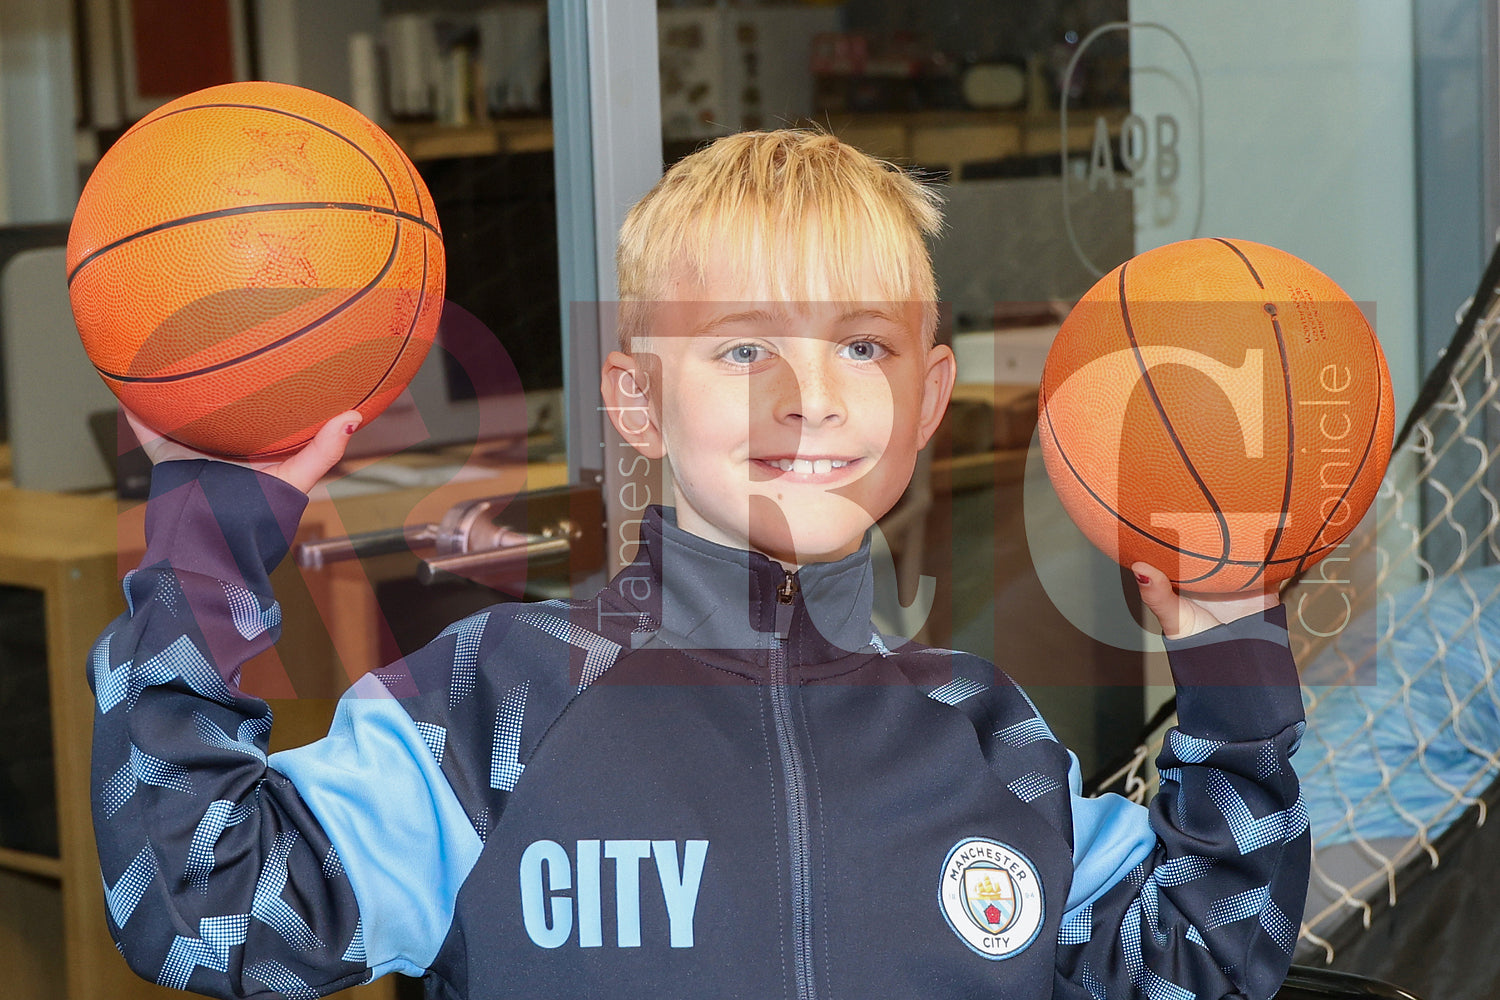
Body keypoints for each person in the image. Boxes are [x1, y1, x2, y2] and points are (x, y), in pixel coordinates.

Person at [91, 130, 1308, 1000]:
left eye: (863, 346)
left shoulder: (989, 738)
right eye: (741, 349)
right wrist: (209, 536)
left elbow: (1201, 960)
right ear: (637, 400)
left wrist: (1235, 666)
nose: (811, 397)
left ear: (930, 396)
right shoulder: (490, 707)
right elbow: (203, 912)